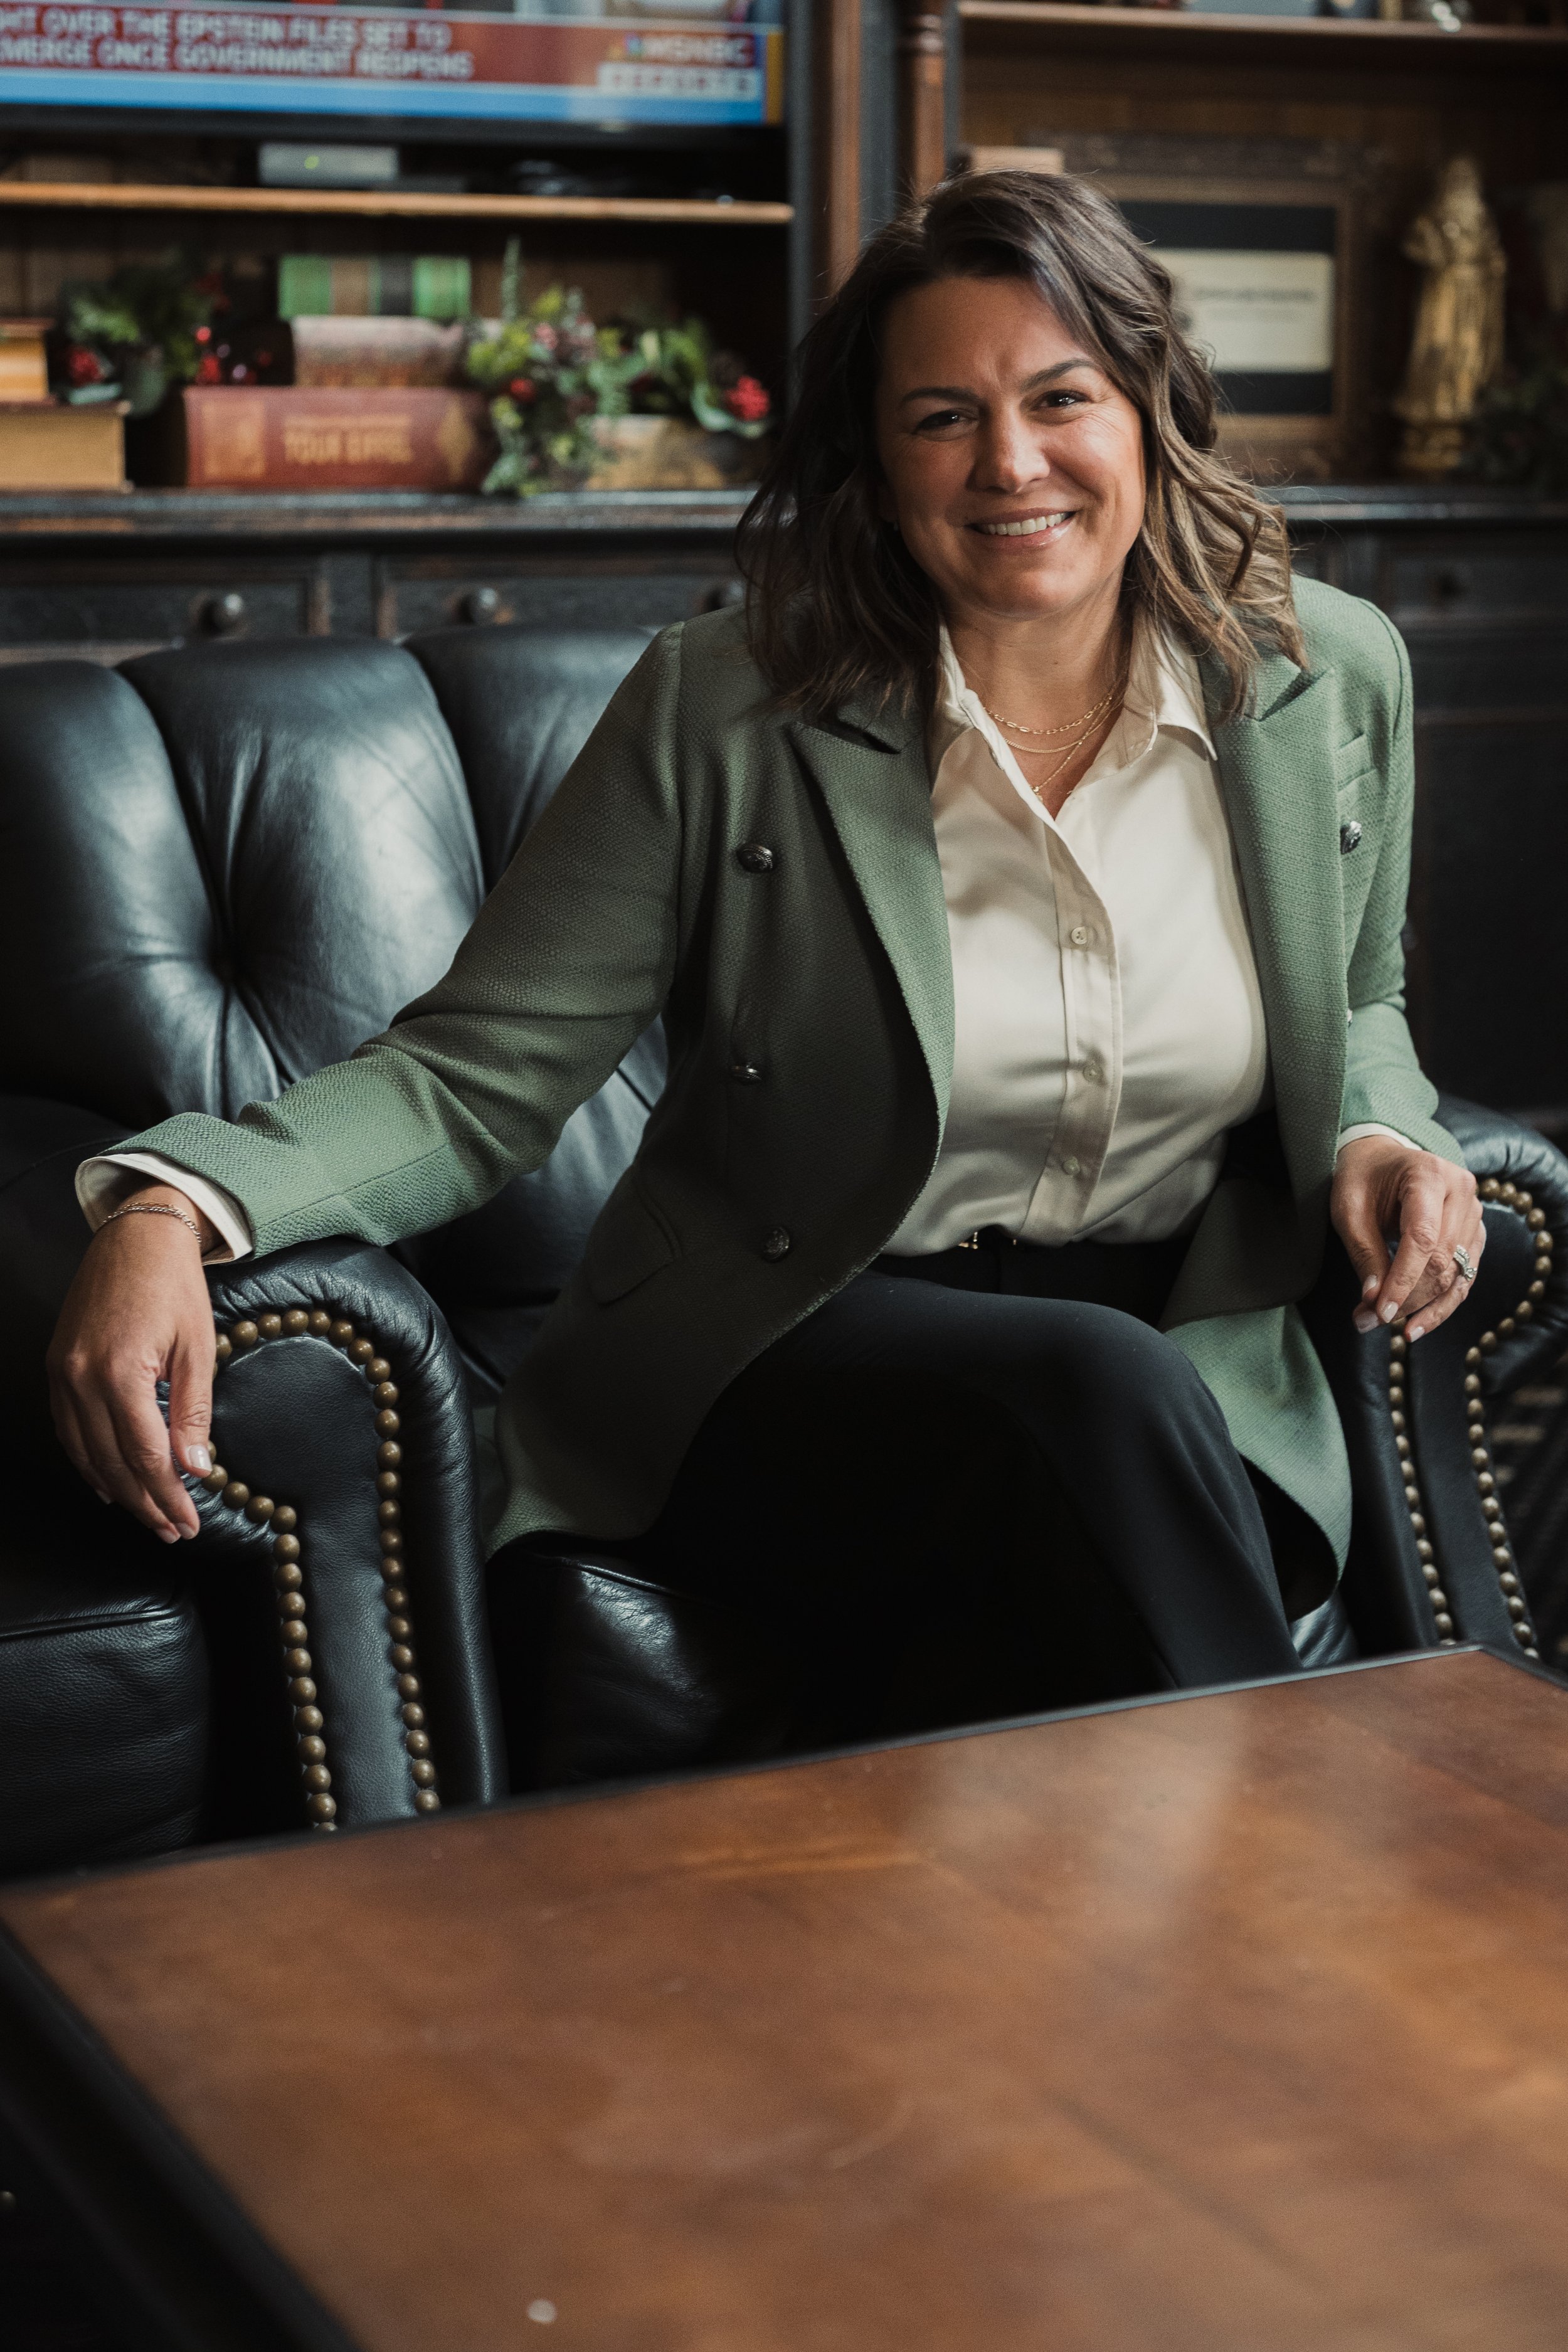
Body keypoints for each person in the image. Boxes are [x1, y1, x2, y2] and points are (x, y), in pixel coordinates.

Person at [50, 172, 1483, 1710]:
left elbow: (1361, 996)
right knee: (1096, 1409)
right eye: (941, 416)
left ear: (1147, 407)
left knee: (1098, 1494)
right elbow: (475, 1074)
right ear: (875, 459)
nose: (1011, 463)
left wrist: (1380, 1133)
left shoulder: (1324, 675)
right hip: (801, 1337)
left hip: (1192, 1366)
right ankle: (1309, 1864)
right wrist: (172, 1206)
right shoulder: (725, 706)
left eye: (1060, 397)